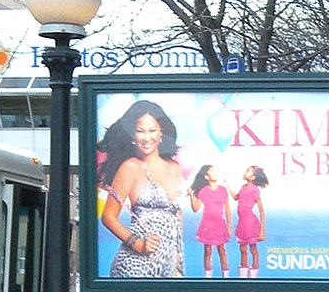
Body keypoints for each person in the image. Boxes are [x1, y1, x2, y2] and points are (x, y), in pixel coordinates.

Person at [97, 99, 186, 280]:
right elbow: (108, 216)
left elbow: (178, 216)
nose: (147, 137)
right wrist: (138, 245)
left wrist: (177, 257)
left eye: (152, 130)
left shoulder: (174, 168)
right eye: (140, 131)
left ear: (161, 132)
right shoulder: (130, 167)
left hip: (169, 263)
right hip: (135, 265)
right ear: (132, 134)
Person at [188, 164, 233, 278]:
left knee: (222, 251)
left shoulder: (223, 190)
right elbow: (195, 208)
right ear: (206, 177)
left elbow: (227, 210)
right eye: (212, 172)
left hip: (220, 225)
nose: (215, 173)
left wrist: (229, 226)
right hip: (207, 225)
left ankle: (226, 277)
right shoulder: (204, 191)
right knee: (207, 251)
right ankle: (208, 277)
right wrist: (191, 195)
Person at [233, 165, 269, 278]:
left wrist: (262, 230)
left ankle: (254, 276)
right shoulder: (243, 188)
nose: (245, 172)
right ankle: (243, 275)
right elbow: (235, 197)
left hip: (250, 222)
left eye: (248, 171)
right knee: (242, 248)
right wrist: (227, 185)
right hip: (242, 222)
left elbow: (262, 211)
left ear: (253, 177)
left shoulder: (254, 190)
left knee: (253, 248)